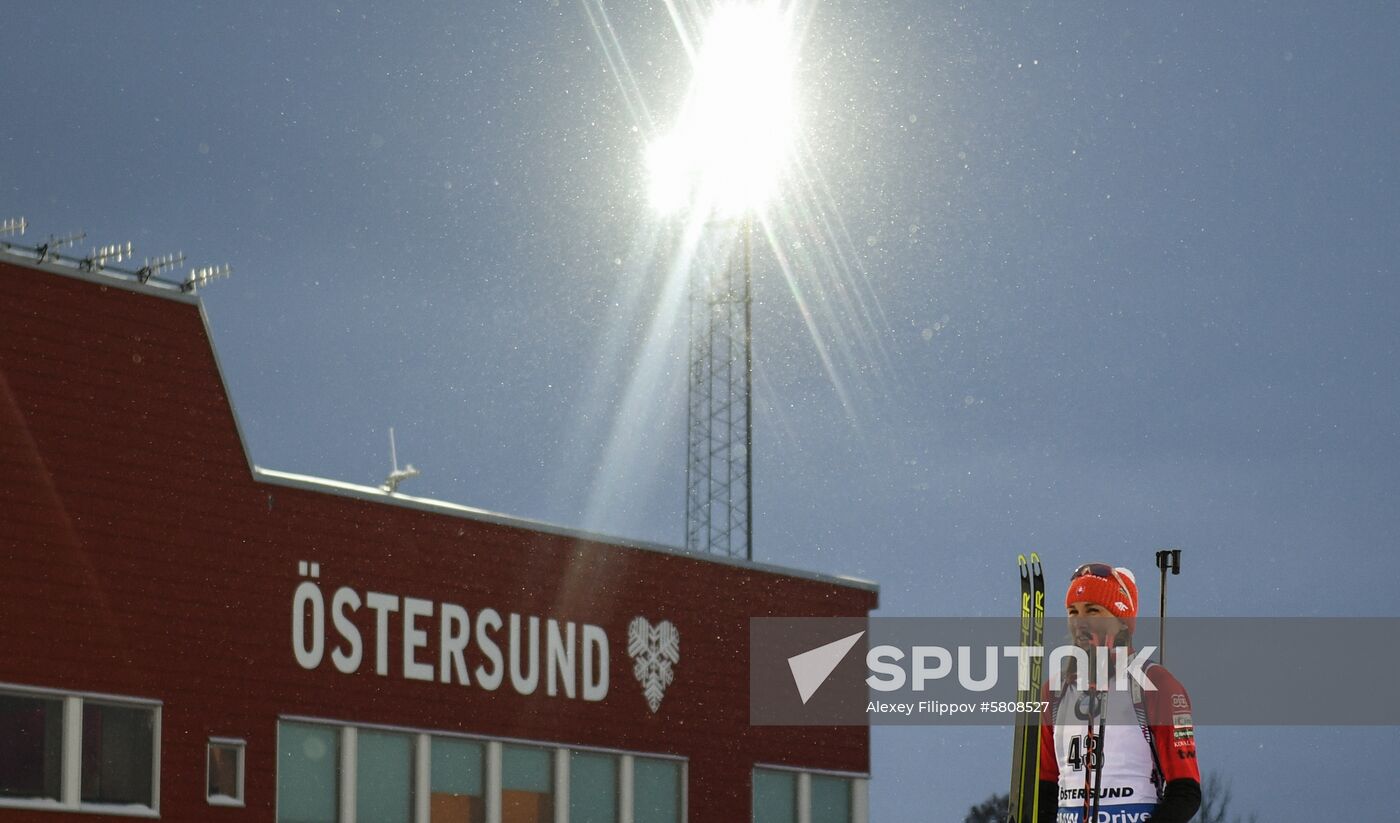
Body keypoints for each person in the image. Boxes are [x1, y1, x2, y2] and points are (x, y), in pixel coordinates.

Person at [1036, 563, 1201, 823]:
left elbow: (1185, 791)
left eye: (1093, 610)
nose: (1080, 621)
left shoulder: (1155, 683)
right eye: (1073, 611)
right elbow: (1044, 789)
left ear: (1121, 620)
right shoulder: (1054, 692)